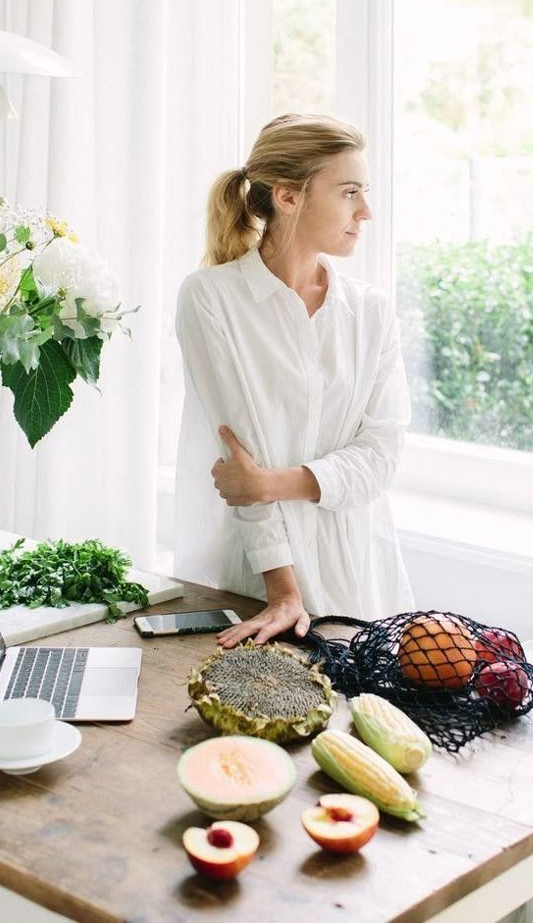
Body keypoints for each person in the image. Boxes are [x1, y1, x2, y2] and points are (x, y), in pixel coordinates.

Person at [174, 113, 414, 648]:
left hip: (360, 571)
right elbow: (239, 460)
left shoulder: (371, 312)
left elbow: (381, 454)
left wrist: (272, 481)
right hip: (259, 582)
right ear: (287, 196)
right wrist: (283, 591)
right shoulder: (211, 299)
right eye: (349, 192)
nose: (366, 211)